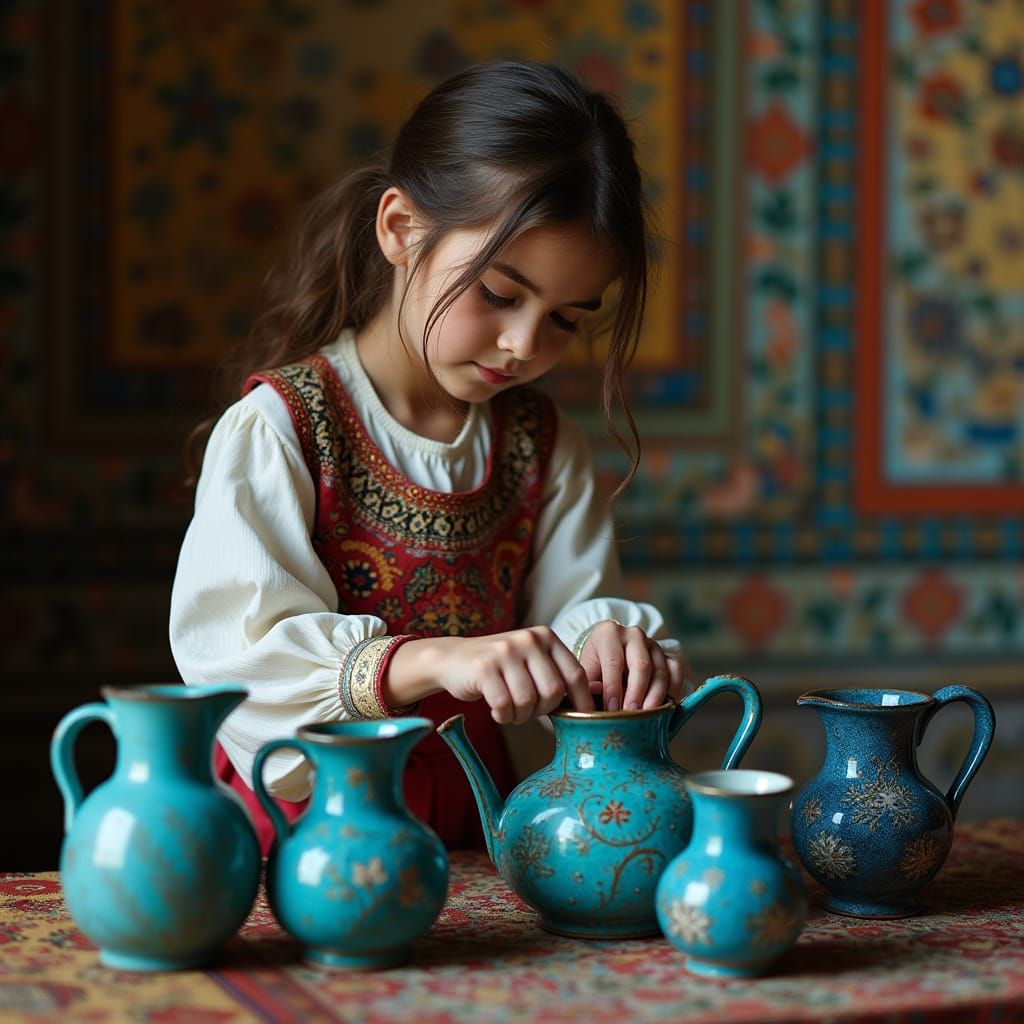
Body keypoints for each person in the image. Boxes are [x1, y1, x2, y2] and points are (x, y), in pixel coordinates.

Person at [170, 59, 686, 855]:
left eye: (566, 319)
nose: (524, 344)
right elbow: (240, 665)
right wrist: (434, 660)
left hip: (483, 818)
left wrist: (605, 648)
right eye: (500, 294)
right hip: (315, 827)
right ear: (401, 229)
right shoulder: (281, 427)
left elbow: (577, 609)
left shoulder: (543, 445)